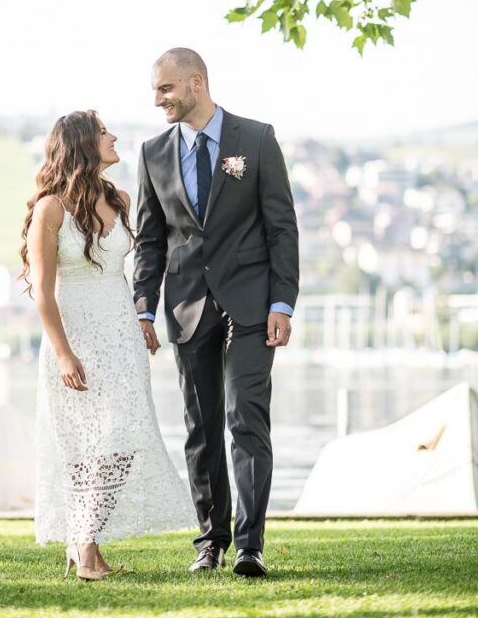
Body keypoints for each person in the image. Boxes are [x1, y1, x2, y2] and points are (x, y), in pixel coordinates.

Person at [134, 49, 299, 577]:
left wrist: (282, 301)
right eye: (156, 91)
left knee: (245, 419)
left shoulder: (256, 139)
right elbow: (151, 241)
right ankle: (211, 541)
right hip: (185, 308)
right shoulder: (152, 153)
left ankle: (250, 546)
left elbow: (281, 227)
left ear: (196, 82)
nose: (157, 99)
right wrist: (143, 307)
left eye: (165, 89)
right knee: (201, 428)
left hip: (252, 305)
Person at [20, 109, 194, 581]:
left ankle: (84, 542)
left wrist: (142, 316)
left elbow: (126, 270)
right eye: (102, 132)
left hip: (120, 335)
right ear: (81, 143)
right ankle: (86, 549)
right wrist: (62, 353)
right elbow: (42, 291)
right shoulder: (50, 209)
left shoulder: (118, 198)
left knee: (121, 438)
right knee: (84, 445)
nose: (113, 136)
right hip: (75, 338)